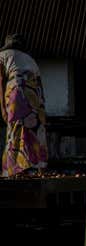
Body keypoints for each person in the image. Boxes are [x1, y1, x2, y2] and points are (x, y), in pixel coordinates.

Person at [0, 33, 48, 177]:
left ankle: (14, 170)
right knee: (36, 131)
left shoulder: (2, 55)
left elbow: (1, 81)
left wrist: (2, 107)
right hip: (35, 96)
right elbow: (40, 86)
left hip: (17, 92)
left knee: (14, 130)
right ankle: (40, 168)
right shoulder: (31, 60)